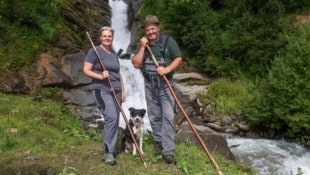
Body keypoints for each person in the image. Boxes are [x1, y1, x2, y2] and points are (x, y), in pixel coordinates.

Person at [132, 15, 183, 164]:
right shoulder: (143, 45)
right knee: (154, 117)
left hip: (166, 86)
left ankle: (168, 151)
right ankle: (159, 144)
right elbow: (135, 64)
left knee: (168, 116)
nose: (151, 31)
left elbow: (178, 58)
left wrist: (166, 69)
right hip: (149, 86)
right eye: (148, 29)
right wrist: (142, 47)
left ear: (158, 28)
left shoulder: (168, 41)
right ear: (145, 31)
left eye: (153, 27)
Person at [83, 26, 126, 166]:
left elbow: (118, 74)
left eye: (110, 36)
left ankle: (112, 149)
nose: (107, 38)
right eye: (105, 36)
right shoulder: (94, 51)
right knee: (112, 117)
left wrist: (123, 91)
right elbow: (86, 70)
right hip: (102, 90)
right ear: (100, 37)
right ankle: (107, 153)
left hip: (117, 91)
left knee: (115, 119)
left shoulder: (113, 54)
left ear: (112, 38)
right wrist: (100, 76)